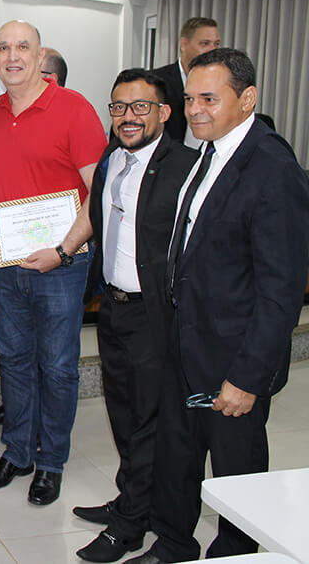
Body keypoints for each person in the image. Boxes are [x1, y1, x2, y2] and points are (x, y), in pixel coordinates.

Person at [125, 48, 309, 564]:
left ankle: (234, 554)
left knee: (236, 472)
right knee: (177, 459)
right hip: (186, 348)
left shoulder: (273, 169)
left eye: (210, 98)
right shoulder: (208, 151)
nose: (196, 109)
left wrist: (248, 377)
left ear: (247, 100)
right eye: (189, 98)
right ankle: (173, 546)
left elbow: (281, 290)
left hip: (233, 360)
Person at [0, 20, 107, 506]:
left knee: (57, 366)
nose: (12, 56)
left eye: (23, 47)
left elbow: (99, 192)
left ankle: (50, 461)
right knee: (14, 360)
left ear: (39, 54)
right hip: (10, 264)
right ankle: (17, 452)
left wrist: (64, 250)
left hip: (63, 264)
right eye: (4, 48)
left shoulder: (73, 109)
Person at [72, 69, 198, 563]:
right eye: (119, 107)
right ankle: (133, 500)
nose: (128, 117)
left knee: (148, 420)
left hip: (157, 315)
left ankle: (129, 528)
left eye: (140, 107)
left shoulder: (187, 166)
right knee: (123, 414)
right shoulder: (110, 163)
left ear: (165, 113)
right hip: (114, 309)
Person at [151, 17, 220, 146]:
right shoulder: (157, 81)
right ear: (183, 44)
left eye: (216, 44)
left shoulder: (220, 83)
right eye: (205, 44)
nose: (213, 50)